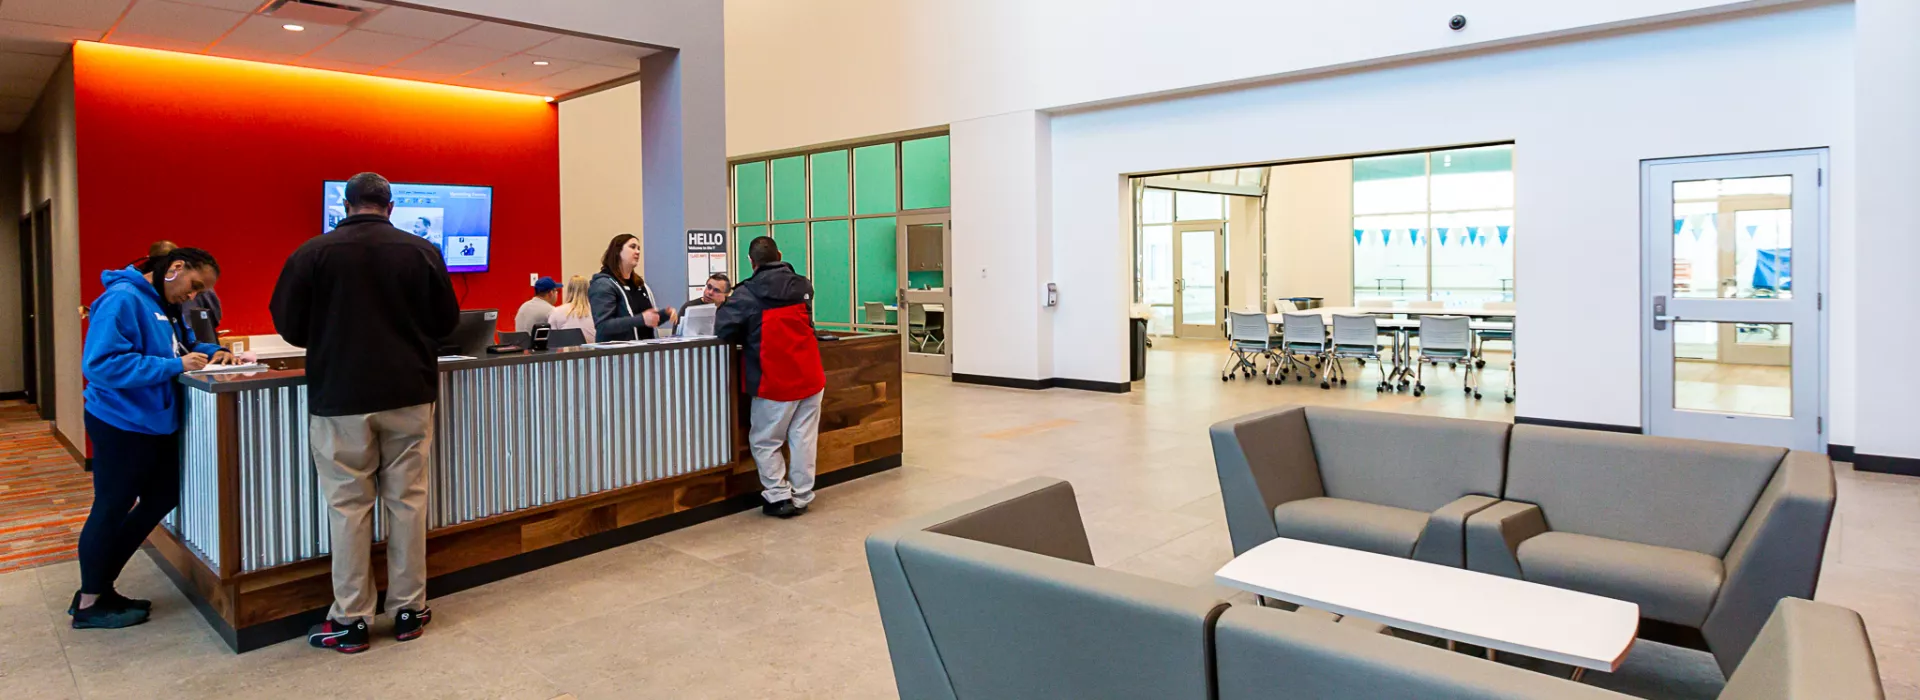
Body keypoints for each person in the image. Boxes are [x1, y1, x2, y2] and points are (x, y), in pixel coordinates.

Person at [269, 172, 459, 654]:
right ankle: (409, 610)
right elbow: (446, 322)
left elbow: (289, 326)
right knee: (408, 501)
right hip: (409, 393)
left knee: (349, 507)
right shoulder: (422, 251)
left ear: (345, 206)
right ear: (390, 206)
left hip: (340, 396)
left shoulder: (312, 252)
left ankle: (351, 619)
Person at [74, 247, 228, 629]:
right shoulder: (122, 300)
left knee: (162, 496)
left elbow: (187, 345)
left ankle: (99, 583)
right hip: (121, 421)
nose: (193, 297)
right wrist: (174, 366)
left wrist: (217, 351)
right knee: (111, 506)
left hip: (153, 422)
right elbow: (101, 364)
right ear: (175, 268)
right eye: (193, 287)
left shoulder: (164, 305)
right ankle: (91, 601)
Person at [715, 236, 826, 518]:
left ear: (751, 262)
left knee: (766, 440)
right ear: (780, 254)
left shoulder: (746, 294)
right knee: (803, 438)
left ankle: (778, 497)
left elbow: (724, 330)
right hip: (810, 374)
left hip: (773, 378)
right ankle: (802, 495)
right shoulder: (803, 284)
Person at [587, 233, 675, 341]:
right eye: (632, 247)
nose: (637, 251)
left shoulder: (639, 285)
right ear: (618, 251)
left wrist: (664, 315)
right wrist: (641, 319)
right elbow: (603, 326)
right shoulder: (603, 285)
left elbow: (643, 321)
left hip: (643, 353)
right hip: (616, 354)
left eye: (638, 248)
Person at [666, 273, 730, 337]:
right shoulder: (689, 307)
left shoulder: (731, 309)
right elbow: (675, 337)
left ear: (726, 295)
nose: (710, 292)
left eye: (716, 290)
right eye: (709, 287)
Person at [545, 274, 597, 343]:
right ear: (588, 290)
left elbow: (552, 341)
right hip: (594, 352)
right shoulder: (597, 310)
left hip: (566, 352)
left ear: (569, 290)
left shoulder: (556, 312)